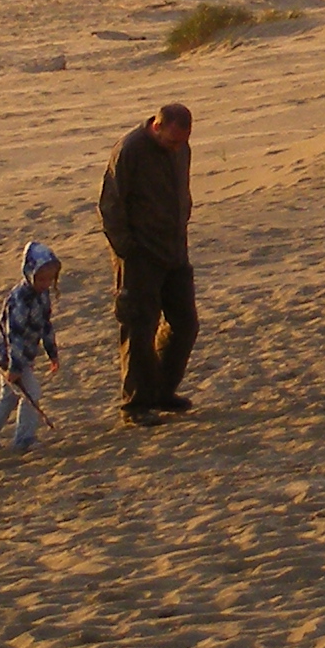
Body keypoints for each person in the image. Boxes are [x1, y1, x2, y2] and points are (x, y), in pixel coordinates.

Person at [101, 103, 197, 421]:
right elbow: (111, 203)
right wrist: (127, 249)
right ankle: (136, 404)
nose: (176, 147)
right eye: (171, 141)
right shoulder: (130, 150)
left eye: (182, 141)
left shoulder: (181, 150)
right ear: (157, 126)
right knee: (139, 326)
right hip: (139, 254)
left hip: (174, 250)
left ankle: (162, 390)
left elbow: (181, 191)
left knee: (185, 324)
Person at [0, 240, 64, 454]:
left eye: (49, 279)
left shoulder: (43, 295)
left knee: (9, 396)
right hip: (8, 354)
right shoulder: (19, 299)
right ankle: (24, 439)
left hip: (23, 355)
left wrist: (52, 353)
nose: (45, 283)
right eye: (41, 279)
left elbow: (45, 326)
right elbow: (15, 335)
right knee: (31, 393)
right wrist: (14, 366)